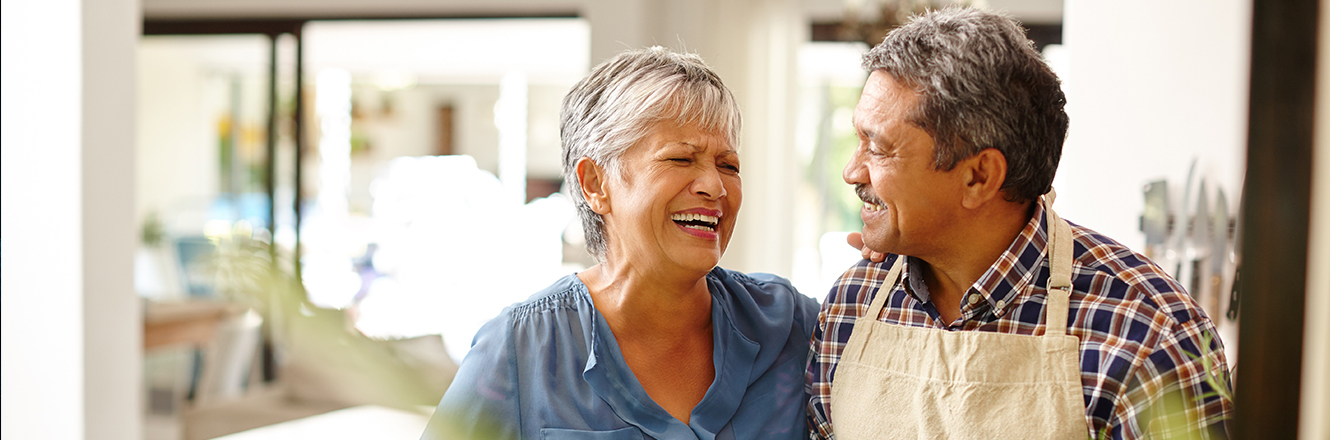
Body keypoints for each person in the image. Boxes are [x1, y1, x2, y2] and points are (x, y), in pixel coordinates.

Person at [805, 7, 1233, 439]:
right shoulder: (852, 304)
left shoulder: (1150, 333)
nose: (851, 171)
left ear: (979, 176)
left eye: (876, 148)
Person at [422, 47, 819, 440]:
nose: (715, 186)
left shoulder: (789, 325)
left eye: (728, 165)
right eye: (681, 159)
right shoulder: (521, 349)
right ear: (595, 184)